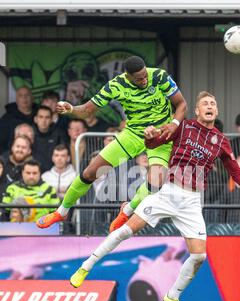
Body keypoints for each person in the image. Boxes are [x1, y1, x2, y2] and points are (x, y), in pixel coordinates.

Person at [69, 91, 240, 301]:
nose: (210, 106)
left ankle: (172, 296)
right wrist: (151, 136)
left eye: (213, 103)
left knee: (199, 256)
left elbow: (237, 173)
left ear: (217, 111)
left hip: (191, 201)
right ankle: (85, 266)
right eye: (205, 104)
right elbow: (155, 143)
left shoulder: (221, 141)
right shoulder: (184, 127)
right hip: (168, 190)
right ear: (197, 111)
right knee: (125, 231)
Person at [36, 55, 187, 231]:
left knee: (156, 182)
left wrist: (174, 124)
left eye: (145, 75)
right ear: (128, 76)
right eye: (139, 78)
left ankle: (127, 210)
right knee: (90, 172)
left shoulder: (159, 76)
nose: (145, 80)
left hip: (161, 136)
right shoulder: (116, 85)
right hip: (132, 135)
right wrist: (71, 109)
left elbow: (181, 104)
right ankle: (61, 212)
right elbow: (86, 110)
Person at [0, 86, 36, 154]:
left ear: (32, 98)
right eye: (20, 96)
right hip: (12, 158)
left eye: (27, 95)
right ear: (16, 100)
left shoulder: (40, 115)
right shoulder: (7, 118)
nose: (24, 98)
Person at [32, 106, 66, 172]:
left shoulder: (59, 134)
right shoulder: (30, 133)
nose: (44, 120)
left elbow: (63, 153)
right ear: (35, 119)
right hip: (33, 171)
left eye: (47, 117)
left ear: (51, 120)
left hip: (53, 172)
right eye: (41, 117)